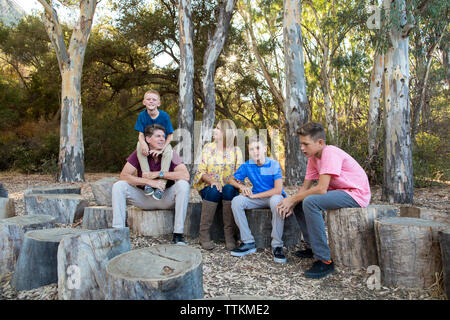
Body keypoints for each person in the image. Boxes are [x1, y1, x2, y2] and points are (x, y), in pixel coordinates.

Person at [276, 122, 371, 279]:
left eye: (305, 144)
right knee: (301, 201)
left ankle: (324, 260)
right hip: (340, 192)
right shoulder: (313, 159)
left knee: (310, 202)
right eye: (301, 144)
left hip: (356, 194)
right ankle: (313, 247)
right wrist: (292, 202)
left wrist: (292, 198)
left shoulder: (330, 152)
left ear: (320, 142)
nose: (302, 148)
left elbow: (321, 188)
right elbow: (305, 189)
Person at [112, 124, 190, 245]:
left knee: (183, 185)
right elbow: (124, 176)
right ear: (148, 139)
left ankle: (178, 235)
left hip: (164, 197)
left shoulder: (171, 153)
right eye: (158, 136)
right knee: (118, 186)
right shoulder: (139, 153)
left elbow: (185, 175)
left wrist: (159, 174)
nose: (162, 139)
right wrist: (148, 181)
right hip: (144, 197)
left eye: (163, 136)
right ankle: (118, 232)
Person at [228, 135, 287, 263]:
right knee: (237, 201)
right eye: (252, 149)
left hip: (273, 197)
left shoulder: (274, 165)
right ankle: (248, 242)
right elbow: (231, 180)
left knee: (276, 201)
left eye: (258, 148)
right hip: (257, 199)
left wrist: (254, 195)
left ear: (265, 149)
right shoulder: (247, 165)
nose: (255, 151)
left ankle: (277, 245)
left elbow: (278, 190)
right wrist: (242, 186)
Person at [193, 119, 243, 250]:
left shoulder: (237, 150)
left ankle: (229, 235)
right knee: (214, 189)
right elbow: (201, 172)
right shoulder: (208, 148)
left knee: (228, 188)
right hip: (209, 189)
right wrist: (212, 181)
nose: (214, 130)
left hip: (229, 191)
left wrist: (229, 183)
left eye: (218, 128)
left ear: (226, 132)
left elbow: (239, 175)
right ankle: (203, 235)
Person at [134, 89, 174, 200]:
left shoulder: (164, 116)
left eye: (154, 99)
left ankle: (161, 186)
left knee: (169, 150)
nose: (151, 101)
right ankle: (147, 182)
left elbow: (170, 136)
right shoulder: (142, 116)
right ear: (144, 102)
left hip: (162, 144)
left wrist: (161, 149)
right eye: (148, 99)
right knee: (138, 145)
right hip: (149, 143)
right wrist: (143, 144)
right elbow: (140, 135)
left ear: (158, 103)